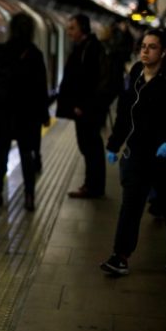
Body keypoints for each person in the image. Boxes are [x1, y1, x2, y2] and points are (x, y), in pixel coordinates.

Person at [100, 30, 166, 275]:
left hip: (164, 156)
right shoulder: (136, 73)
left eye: (152, 47)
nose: (146, 51)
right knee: (130, 205)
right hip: (137, 152)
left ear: (164, 52)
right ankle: (120, 256)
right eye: (143, 46)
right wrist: (114, 145)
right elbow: (124, 114)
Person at [0, 12, 50, 211]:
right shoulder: (35, 54)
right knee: (26, 154)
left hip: (2, 111)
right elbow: (41, 87)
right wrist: (44, 115)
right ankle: (29, 196)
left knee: (1, 151)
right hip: (26, 113)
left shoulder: (1, 50)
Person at [57, 14, 109, 198]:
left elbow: (90, 81)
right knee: (88, 147)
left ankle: (93, 187)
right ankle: (92, 185)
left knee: (90, 147)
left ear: (83, 29)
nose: (69, 32)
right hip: (84, 108)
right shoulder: (86, 47)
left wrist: (83, 105)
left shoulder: (90, 49)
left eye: (72, 28)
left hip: (87, 109)